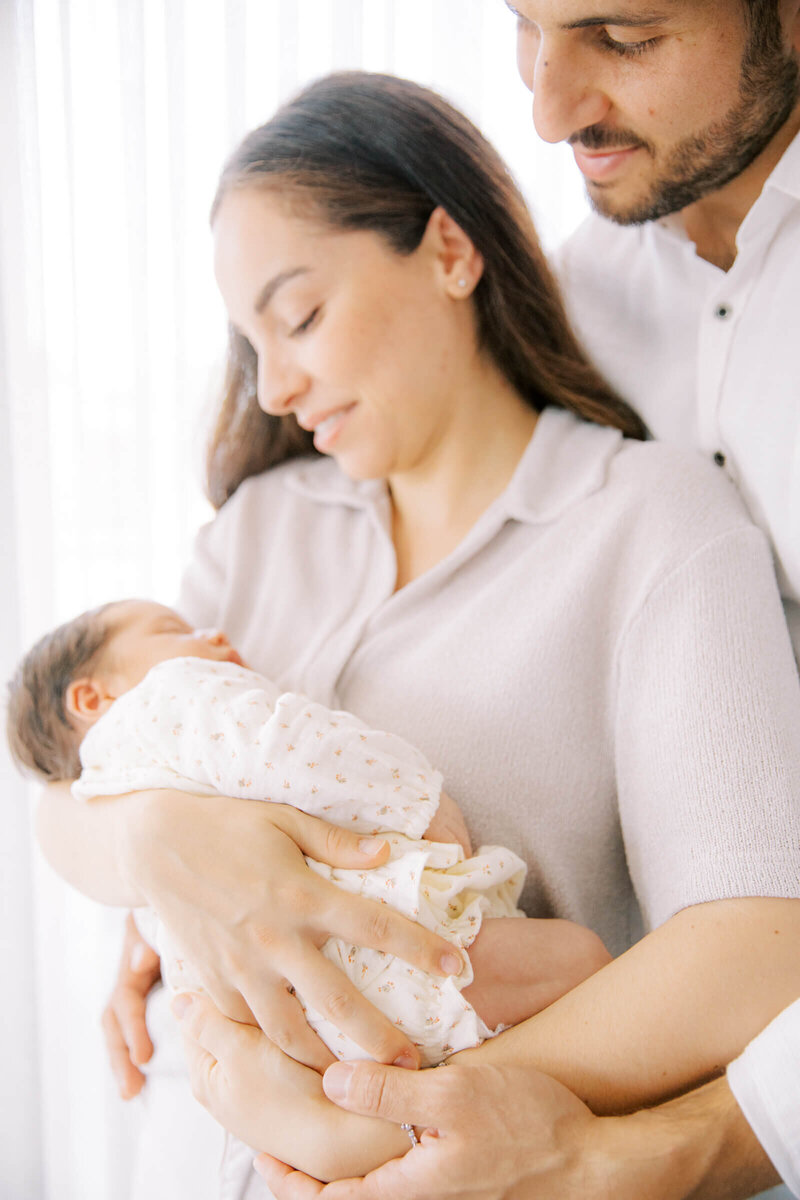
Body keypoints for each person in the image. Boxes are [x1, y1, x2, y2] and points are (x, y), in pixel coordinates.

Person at [35, 71, 800, 1199]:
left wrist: (385, 1127)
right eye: (252, 344)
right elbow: (70, 781)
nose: (279, 384)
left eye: (299, 317)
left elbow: (753, 946)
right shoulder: (253, 534)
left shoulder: (652, 524)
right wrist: (149, 840)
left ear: (449, 252)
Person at [8, 596, 609, 1075]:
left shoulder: (116, 786)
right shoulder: (168, 698)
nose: (215, 637)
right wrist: (416, 799)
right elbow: (289, 748)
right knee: (584, 966)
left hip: (301, 1030)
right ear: (93, 696)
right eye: (175, 627)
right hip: (380, 952)